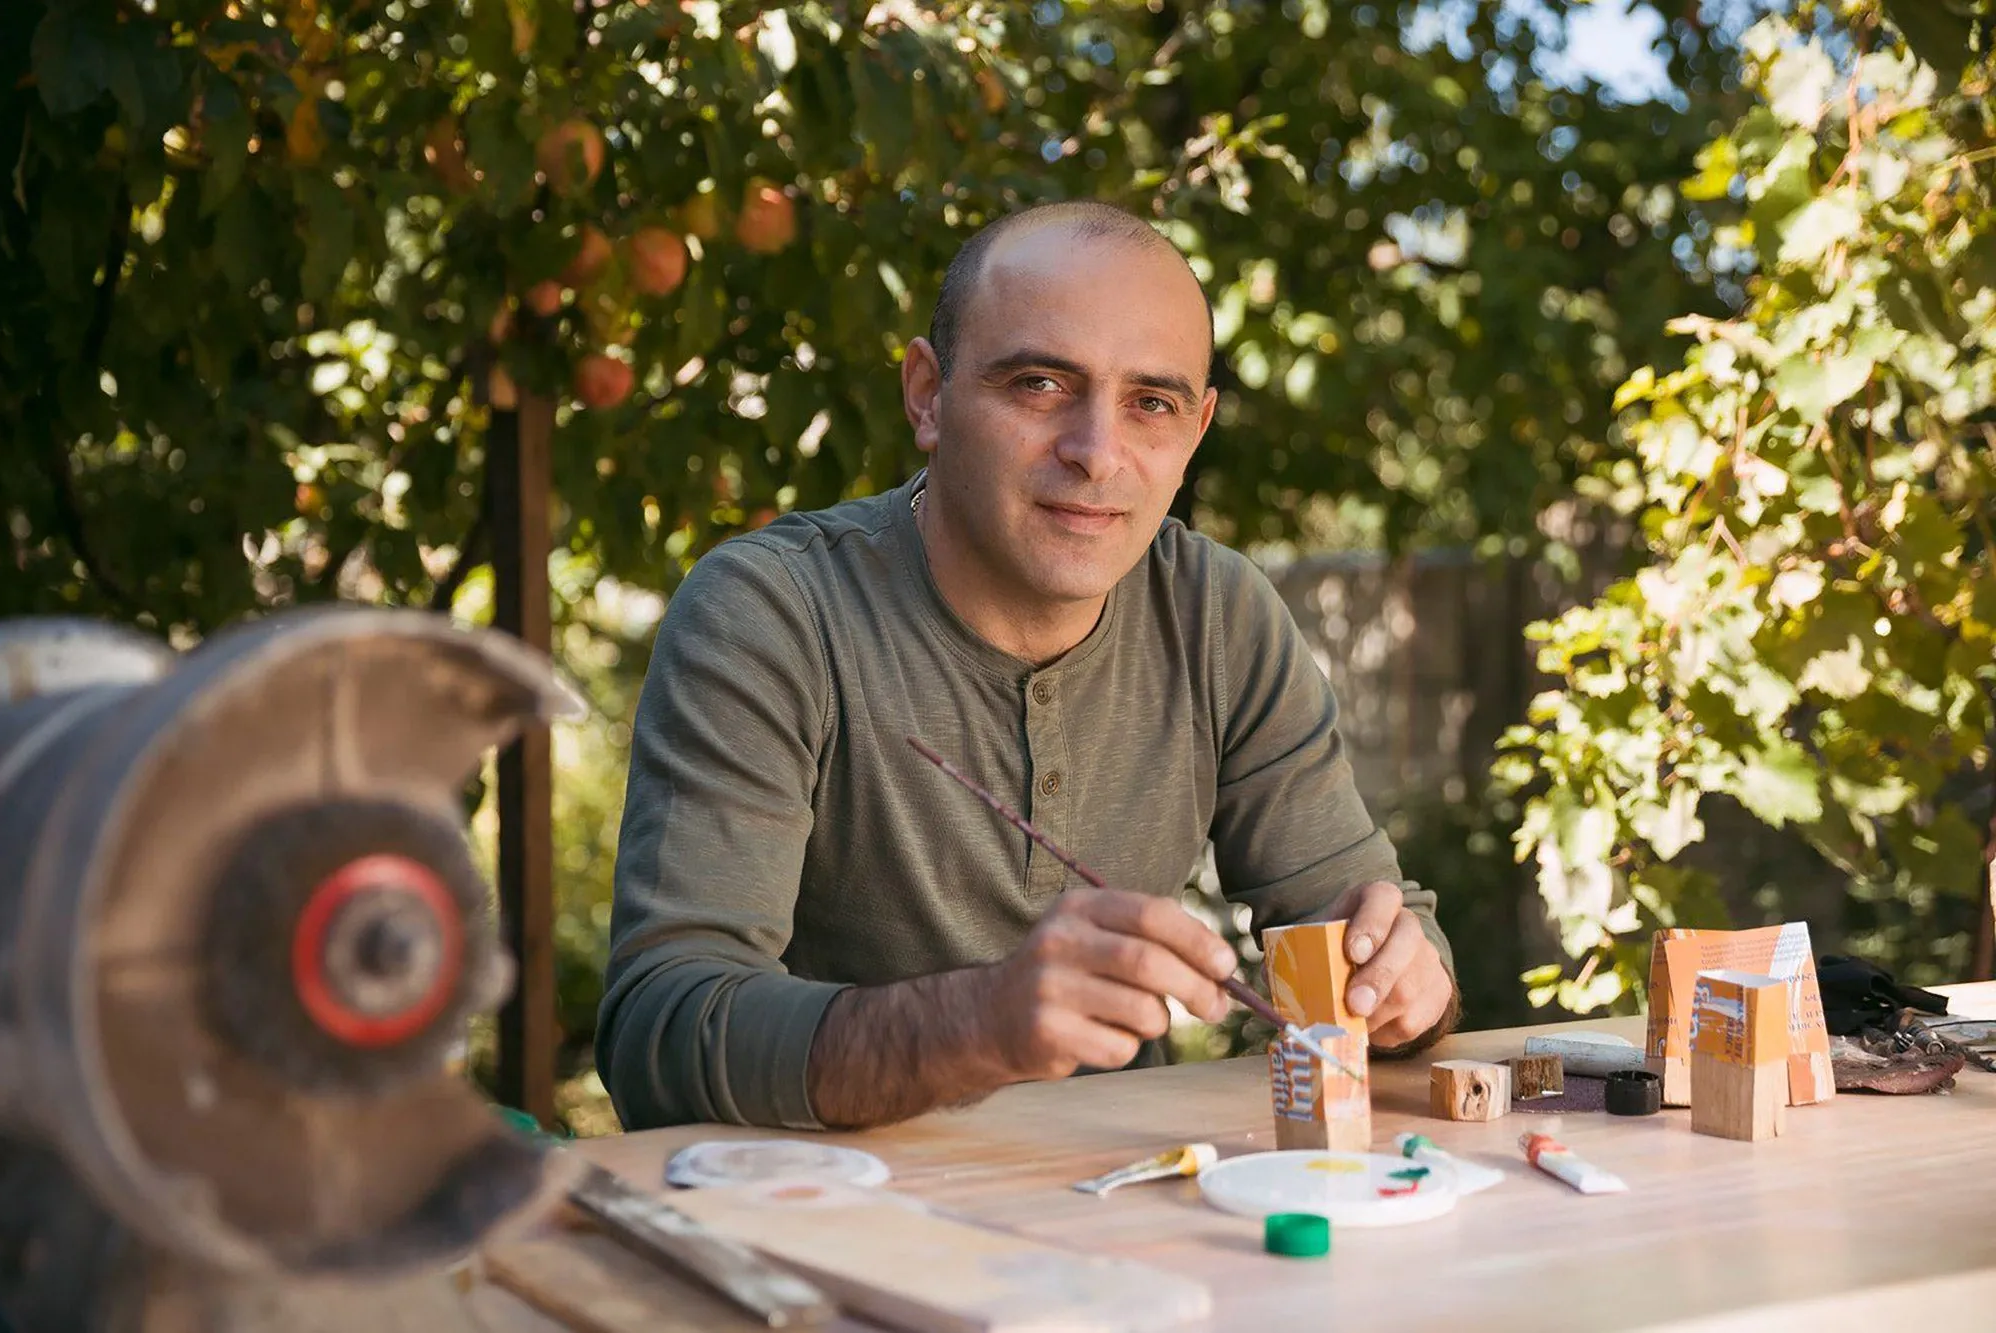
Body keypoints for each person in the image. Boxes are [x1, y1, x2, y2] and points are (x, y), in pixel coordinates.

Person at [598, 200, 1459, 1132]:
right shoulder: (772, 613)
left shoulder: (1220, 614)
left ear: (1196, 430)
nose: (1097, 453)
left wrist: (1407, 988)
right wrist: (978, 1023)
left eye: (1152, 403)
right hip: (821, 1225)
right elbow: (661, 1033)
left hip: (1129, 1208)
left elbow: (1388, 939)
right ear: (928, 396)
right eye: (1041, 384)